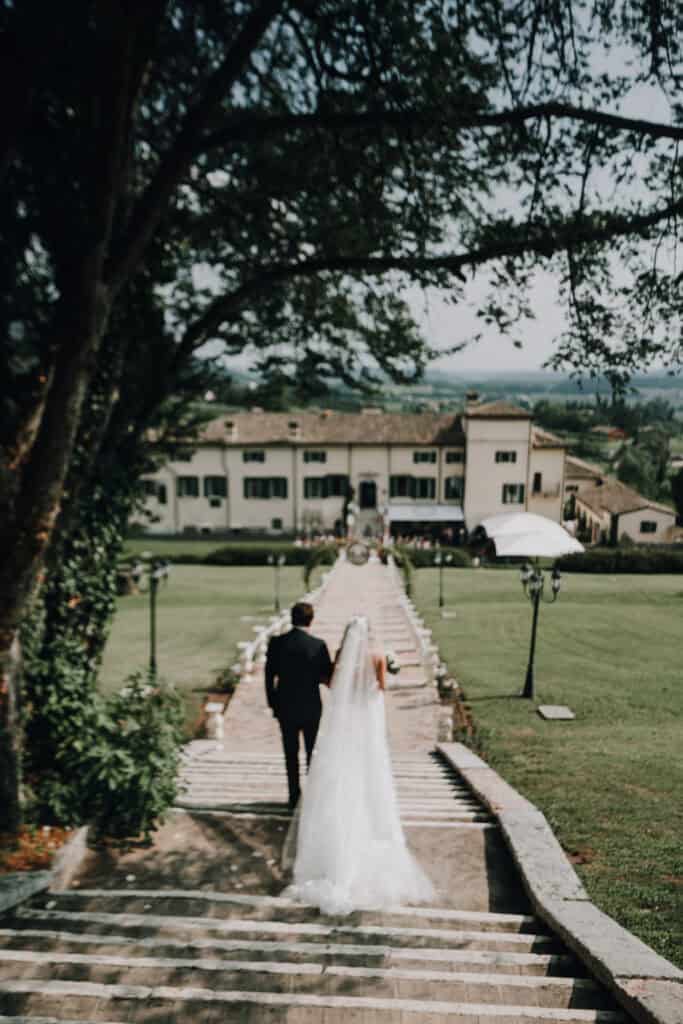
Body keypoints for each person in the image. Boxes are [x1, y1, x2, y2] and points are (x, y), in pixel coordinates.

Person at [282, 616, 435, 914]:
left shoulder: (341, 658)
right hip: (368, 721)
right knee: (371, 772)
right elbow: (381, 688)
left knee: (341, 773)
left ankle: (332, 848)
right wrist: (387, 666)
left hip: (346, 723)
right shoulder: (377, 656)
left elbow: (336, 685)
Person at [265, 602, 333, 810]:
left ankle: (293, 796)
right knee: (312, 752)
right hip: (311, 706)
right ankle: (313, 797)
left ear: (291, 618)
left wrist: (273, 704)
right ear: (310, 620)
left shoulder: (276, 643)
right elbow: (326, 677)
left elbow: (269, 677)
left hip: (286, 706)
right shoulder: (318, 645)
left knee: (290, 753)